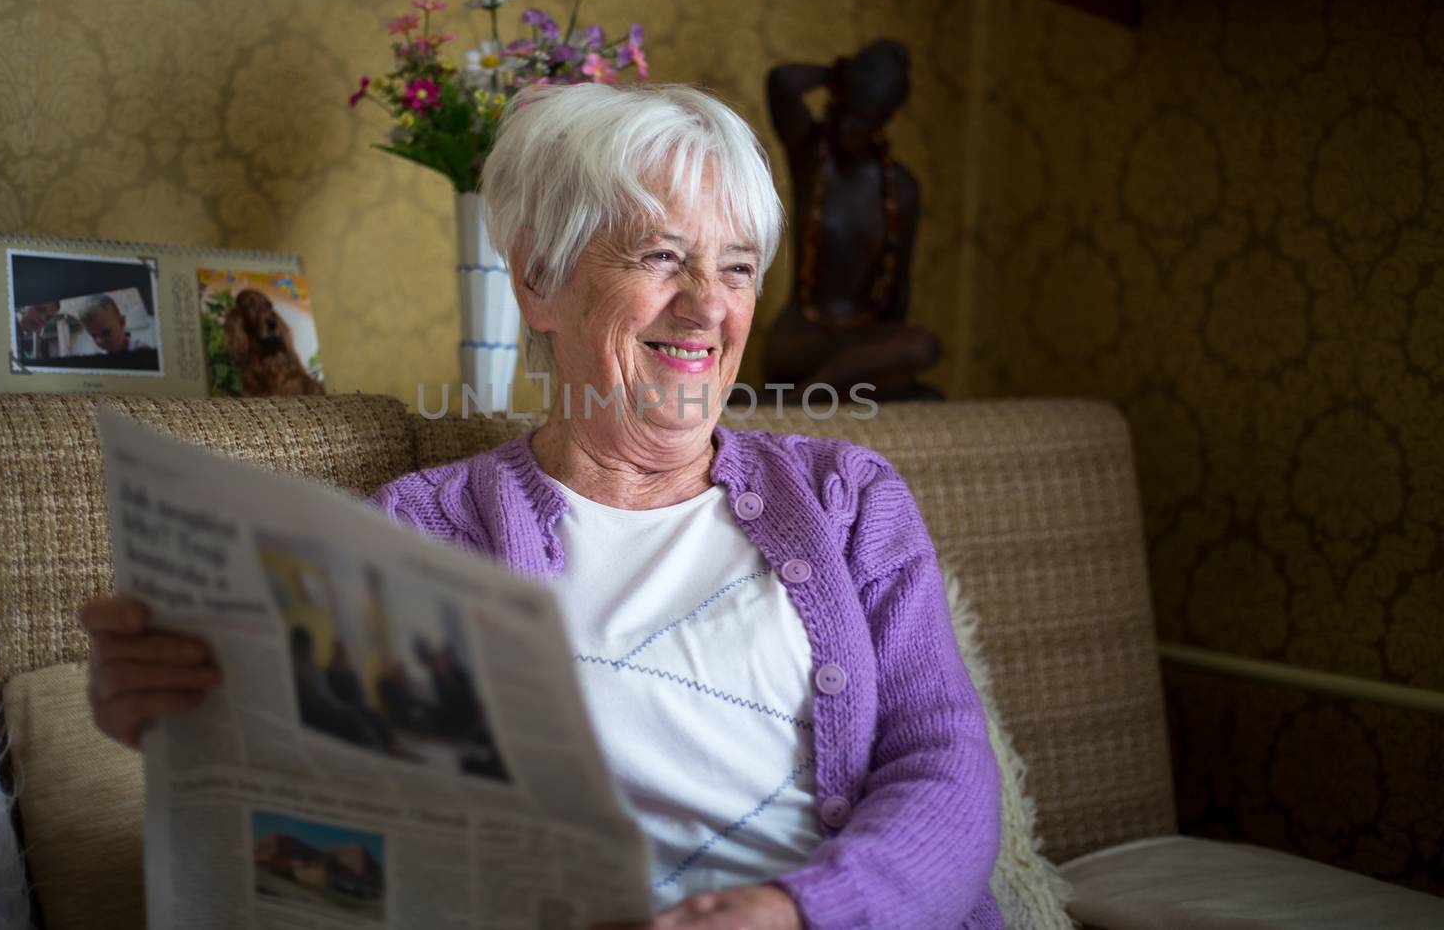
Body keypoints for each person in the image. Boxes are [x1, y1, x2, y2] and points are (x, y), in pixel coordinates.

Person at [81, 83, 1002, 930]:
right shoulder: (415, 533)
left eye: (736, 268)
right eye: (663, 257)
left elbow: (947, 771)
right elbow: (331, 852)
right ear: (538, 282)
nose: (705, 308)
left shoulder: (845, 500)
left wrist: (797, 913)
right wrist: (189, 733)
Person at [764, 40, 942, 401]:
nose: (849, 127)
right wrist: (840, 72)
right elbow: (781, 81)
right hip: (801, 335)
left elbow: (899, 289)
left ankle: (810, 394)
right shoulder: (811, 155)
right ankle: (807, 397)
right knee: (905, 385)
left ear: (885, 117)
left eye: (863, 119)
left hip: (862, 343)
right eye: (845, 111)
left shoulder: (900, 189)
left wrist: (890, 355)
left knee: (922, 347)